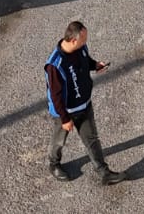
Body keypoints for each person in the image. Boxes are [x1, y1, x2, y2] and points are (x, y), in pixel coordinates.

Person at [43, 21, 126, 185]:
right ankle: (54, 164)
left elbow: (85, 61)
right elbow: (56, 95)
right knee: (59, 140)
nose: (86, 42)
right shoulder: (55, 65)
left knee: (92, 139)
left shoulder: (80, 49)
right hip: (65, 112)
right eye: (83, 39)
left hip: (84, 105)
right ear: (73, 40)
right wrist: (65, 119)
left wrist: (95, 65)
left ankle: (104, 172)